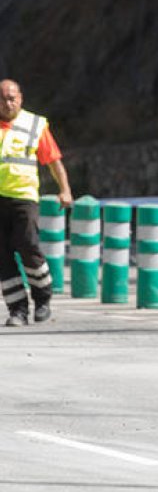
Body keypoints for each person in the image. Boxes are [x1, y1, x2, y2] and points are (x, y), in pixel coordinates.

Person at [0, 79, 73, 326]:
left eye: (12, 98)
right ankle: (17, 310)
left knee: (28, 245)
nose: (7, 102)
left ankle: (43, 299)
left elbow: (54, 160)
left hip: (23, 196)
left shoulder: (34, 125)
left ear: (20, 98)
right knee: (2, 256)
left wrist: (65, 190)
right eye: (2, 98)